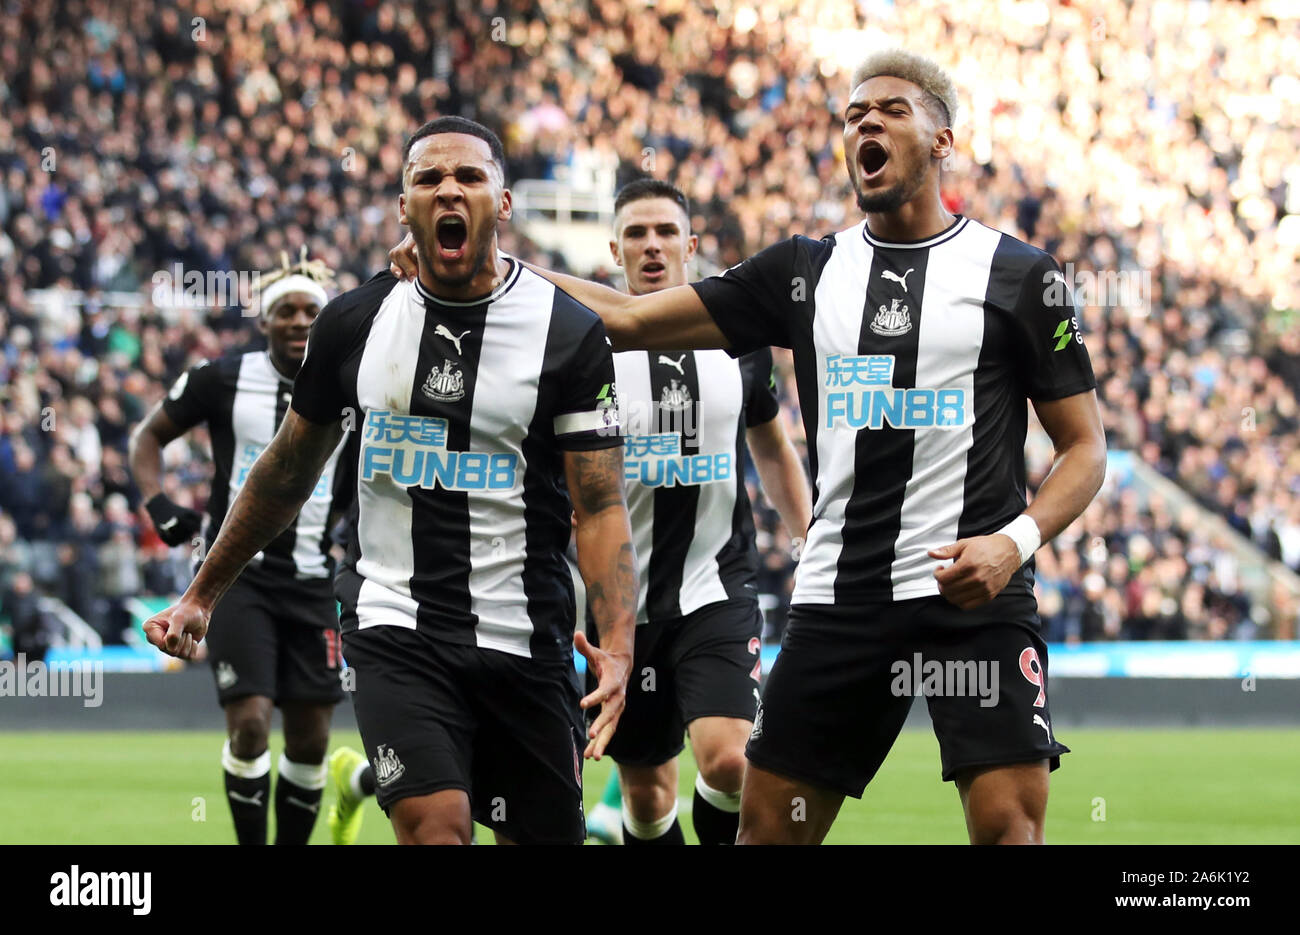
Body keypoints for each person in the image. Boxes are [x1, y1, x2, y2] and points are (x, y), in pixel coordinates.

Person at [396, 51, 1108, 845]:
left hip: (975, 598)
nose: (865, 122)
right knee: (767, 834)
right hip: (843, 598)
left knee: (1011, 832)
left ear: (944, 140)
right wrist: (479, 268)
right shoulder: (806, 271)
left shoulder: (1019, 276)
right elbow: (631, 320)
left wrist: (1014, 544)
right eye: (853, 114)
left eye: (891, 111)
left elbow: (1085, 450)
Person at [145, 115, 637, 846]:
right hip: (396, 625)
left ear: (503, 204)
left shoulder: (567, 332)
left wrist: (620, 643)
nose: (448, 190)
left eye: (469, 177)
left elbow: (598, 505)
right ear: (403, 206)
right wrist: (201, 593)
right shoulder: (352, 324)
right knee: (437, 828)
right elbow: (285, 471)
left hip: (528, 635)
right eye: (427, 178)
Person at [129, 250, 352, 845]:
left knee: (309, 739)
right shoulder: (222, 377)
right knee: (250, 725)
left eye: (312, 310)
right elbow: (147, 437)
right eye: (287, 311)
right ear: (264, 321)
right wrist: (158, 504)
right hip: (238, 579)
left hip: (314, 580)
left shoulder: (352, 382)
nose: (301, 321)